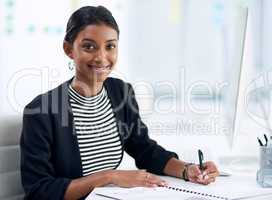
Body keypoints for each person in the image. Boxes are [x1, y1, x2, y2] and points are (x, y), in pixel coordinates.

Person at [20, 6, 219, 200]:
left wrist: (186, 170)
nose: (101, 57)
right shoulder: (41, 111)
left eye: (110, 46)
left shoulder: (121, 92)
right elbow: (39, 190)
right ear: (68, 49)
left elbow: (145, 150)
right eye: (89, 46)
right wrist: (109, 176)